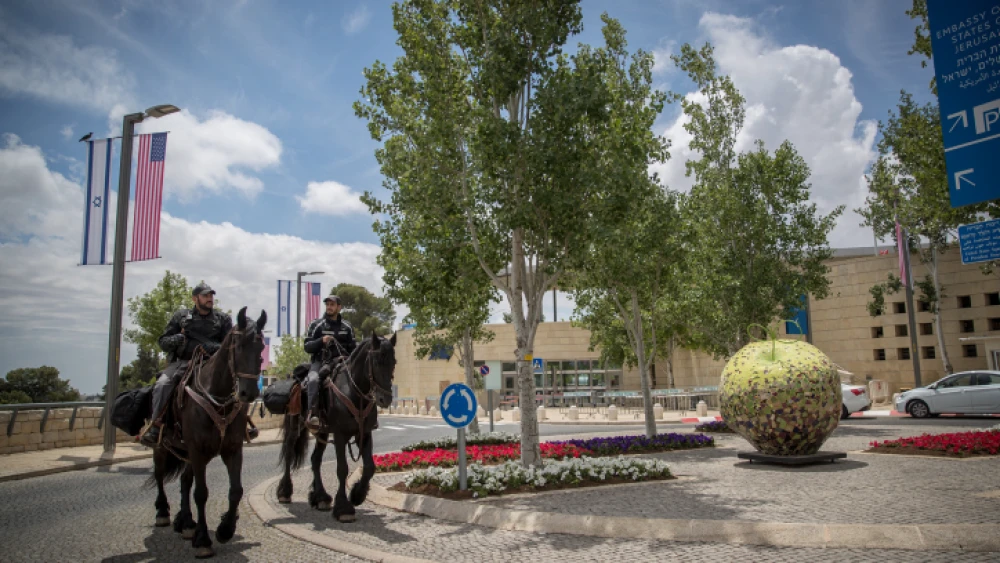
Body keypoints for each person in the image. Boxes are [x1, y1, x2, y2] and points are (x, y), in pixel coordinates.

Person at [140, 283, 232, 447]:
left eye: (211, 295)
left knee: (237, 384)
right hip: (183, 362)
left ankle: (241, 425)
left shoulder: (223, 319)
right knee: (162, 385)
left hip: (211, 364)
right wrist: (178, 338)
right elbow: (163, 342)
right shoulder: (181, 317)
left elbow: (229, 346)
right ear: (195, 298)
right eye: (205, 295)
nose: (209, 298)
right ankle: (156, 426)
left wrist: (213, 347)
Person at [303, 295, 356, 431]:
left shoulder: (347, 327)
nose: (329, 307)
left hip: (342, 362)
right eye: (327, 304)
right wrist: (321, 340)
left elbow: (353, 349)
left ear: (339, 307)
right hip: (320, 361)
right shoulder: (316, 324)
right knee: (313, 380)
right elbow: (307, 346)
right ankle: (313, 414)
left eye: (332, 305)